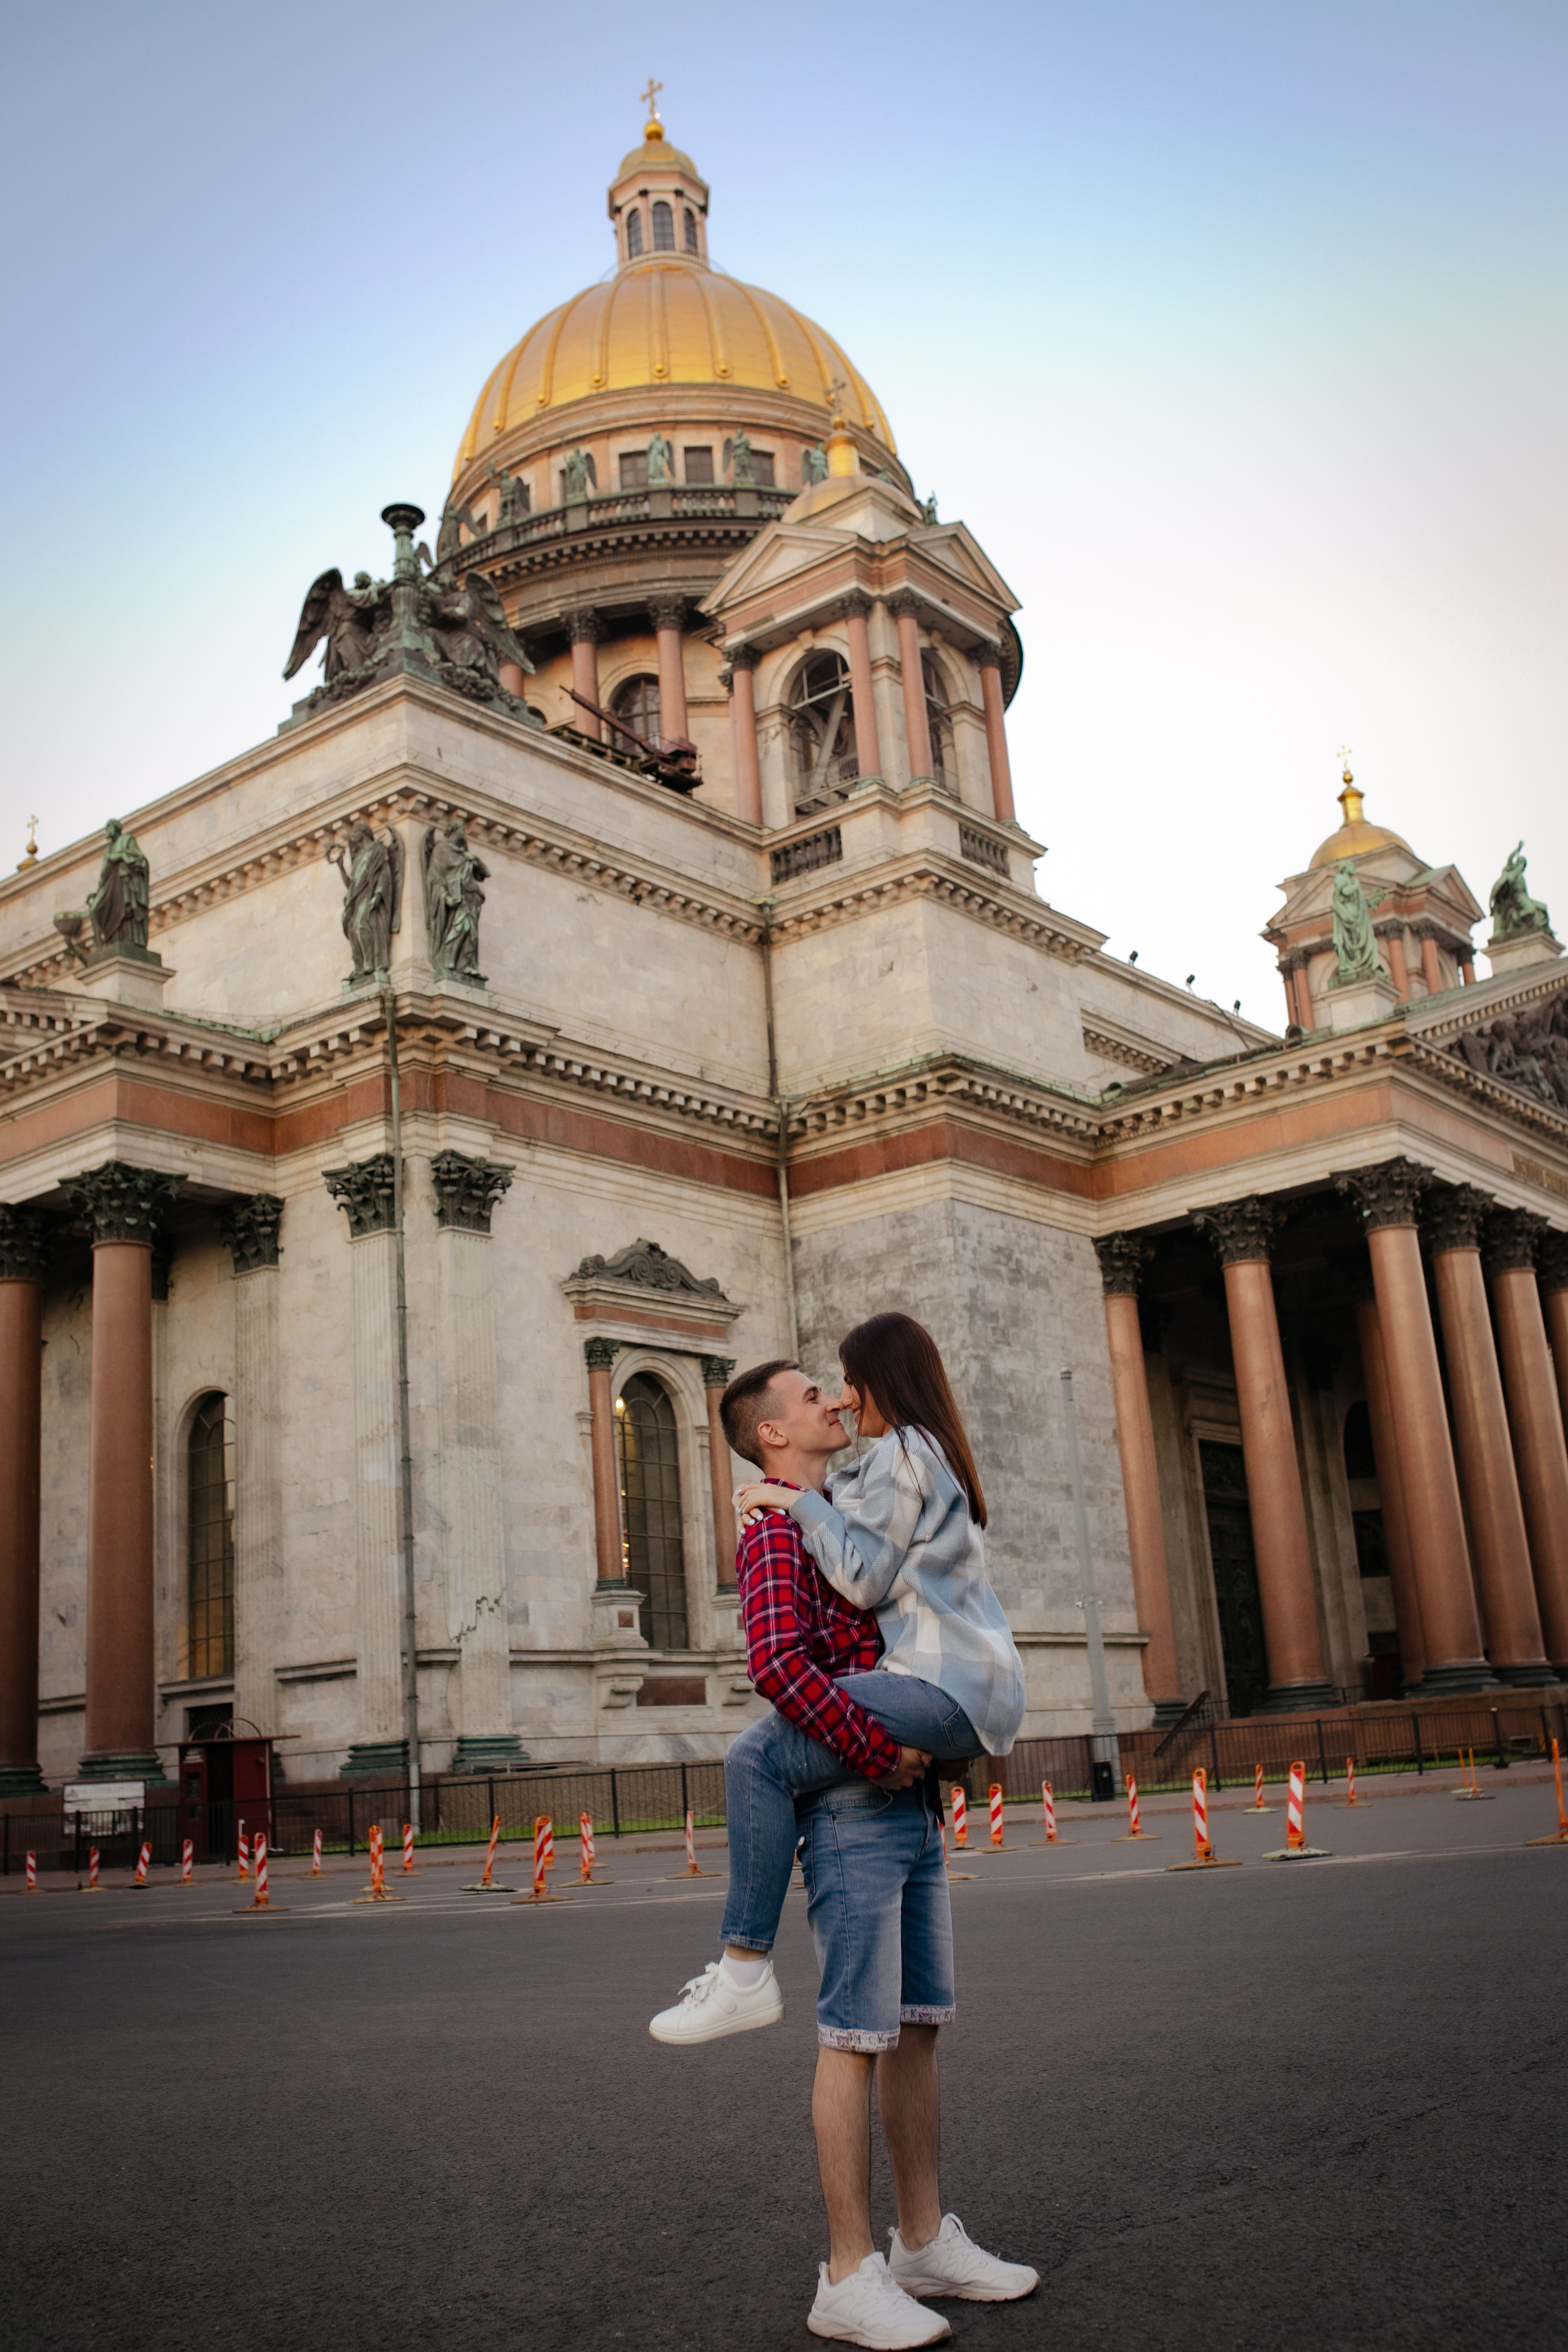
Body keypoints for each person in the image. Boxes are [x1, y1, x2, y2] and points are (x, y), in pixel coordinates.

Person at [649, 1323, 1035, 2345]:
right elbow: (781, 1668)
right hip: (857, 1805)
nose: (836, 1402)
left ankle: (922, 2241)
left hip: (907, 1801)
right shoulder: (778, 1529)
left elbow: (890, 1614)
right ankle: (847, 2271)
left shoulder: (858, 1492)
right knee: (854, 2037)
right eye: (815, 1395)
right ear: (773, 1433)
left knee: (916, 2029)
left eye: (841, 1389)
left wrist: (915, 1754)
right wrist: (877, 1749)